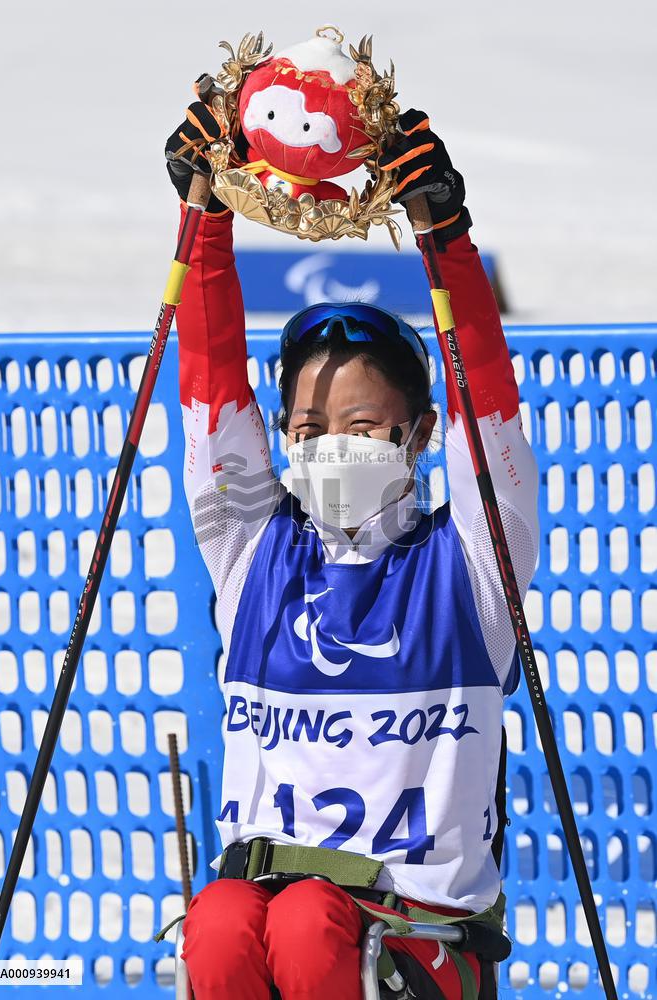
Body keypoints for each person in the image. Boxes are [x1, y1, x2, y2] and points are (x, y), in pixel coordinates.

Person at [164, 95, 539, 999]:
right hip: (266, 918)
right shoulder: (251, 549)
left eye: (362, 423)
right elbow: (212, 391)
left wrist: (442, 230)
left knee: (306, 919)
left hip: (415, 937)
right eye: (307, 424)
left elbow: (486, 412)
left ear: (414, 437)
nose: (330, 443)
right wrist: (202, 219)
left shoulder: (471, 566)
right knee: (217, 921)